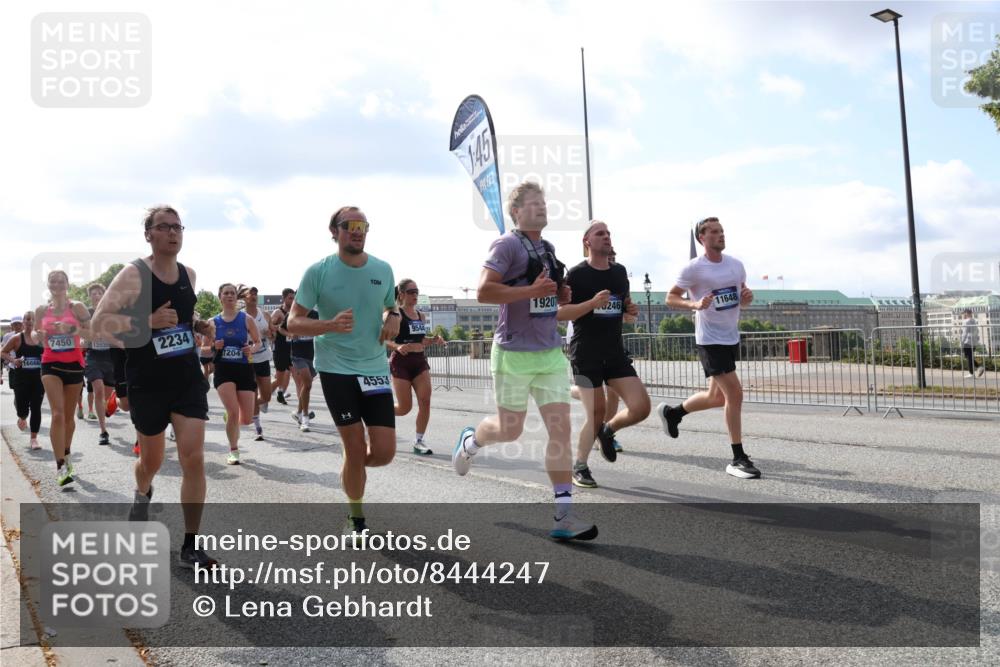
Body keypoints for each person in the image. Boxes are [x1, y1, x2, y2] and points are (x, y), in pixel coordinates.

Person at [452, 182, 597, 541]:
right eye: (533, 204)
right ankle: (471, 442)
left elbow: (549, 300)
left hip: (548, 353)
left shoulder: (547, 249)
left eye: (544, 203)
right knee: (510, 429)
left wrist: (558, 294)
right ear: (516, 212)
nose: (542, 208)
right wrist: (531, 291)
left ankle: (563, 517)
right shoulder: (506, 244)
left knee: (560, 432)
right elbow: (485, 291)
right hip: (513, 354)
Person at [91, 205, 218, 568]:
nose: (173, 233)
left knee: (194, 459)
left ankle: (190, 545)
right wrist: (146, 322)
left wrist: (198, 325)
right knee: (152, 461)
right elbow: (99, 325)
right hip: (148, 381)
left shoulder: (189, 275)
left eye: (178, 226)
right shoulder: (134, 274)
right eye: (164, 227)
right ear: (149, 234)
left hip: (186, 378)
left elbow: (180, 315)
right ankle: (141, 494)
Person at [289, 206, 398, 535]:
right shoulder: (318, 271)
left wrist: (394, 316)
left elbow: (390, 307)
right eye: (349, 225)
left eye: (362, 225)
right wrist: (329, 325)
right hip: (336, 367)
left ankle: (351, 468)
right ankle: (356, 518)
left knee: (384, 452)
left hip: (375, 366)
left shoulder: (383, 269)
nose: (357, 230)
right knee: (353, 445)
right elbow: (293, 322)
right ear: (334, 231)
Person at [658, 216, 759, 479]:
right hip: (709, 338)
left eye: (722, 230)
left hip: (730, 336)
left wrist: (747, 298)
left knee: (717, 397)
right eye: (714, 231)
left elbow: (741, 298)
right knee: (735, 394)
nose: (720, 235)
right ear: (702, 238)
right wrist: (694, 305)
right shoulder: (694, 269)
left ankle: (673, 413)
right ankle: (738, 457)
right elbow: (670, 297)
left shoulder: (736, 266)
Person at [560, 222, 649, 488]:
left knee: (641, 407)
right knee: (596, 413)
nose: (607, 237)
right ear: (587, 241)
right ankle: (580, 466)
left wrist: (630, 311)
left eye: (609, 233)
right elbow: (559, 312)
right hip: (586, 352)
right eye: (600, 233)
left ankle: (608, 431)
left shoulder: (620, 272)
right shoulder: (576, 274)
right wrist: (591, 304)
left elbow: (625, 313)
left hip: (614, 352)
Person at [35, 270, 90, 487]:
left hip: (74, 365)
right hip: (50, 364)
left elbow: (93, 333)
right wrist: (37, 336)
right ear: (48, 284)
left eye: (61, 281)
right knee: (57, 415)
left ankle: (66, 453)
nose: (57, 284)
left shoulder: (77, 307)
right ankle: (60, 466)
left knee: (68, 418)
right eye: (53, 281)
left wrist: (71, 328)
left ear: (68, 284)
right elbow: (34, 336)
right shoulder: (41, 310)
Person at [388, 279, 444, 455]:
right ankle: (376, 411)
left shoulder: (421, 315)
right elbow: (382, 338)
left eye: (417, 292)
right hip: (401, 362)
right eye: (411, 292)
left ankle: (419, 440)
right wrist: (397, 346)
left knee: (425, 401)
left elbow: (421, 340)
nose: (415, 295)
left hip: (419, 361)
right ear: (401, 294)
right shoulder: (395, 314)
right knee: (404, 408)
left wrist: (434, 340)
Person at [210, 283, 261, 464]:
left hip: (244, 368)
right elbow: (203, 349)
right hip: (223, 370)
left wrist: (251, 350)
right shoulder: (212, 322)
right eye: (226, 293)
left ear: (236, 297)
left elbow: (258, 342)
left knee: (245, 419)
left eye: (232, 293)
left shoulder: (246, 319)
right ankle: (233, 450)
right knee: (233, 412)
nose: (230, 296)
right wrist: (212, 347)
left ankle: (230, 417)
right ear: (220, 297)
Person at [2, 311, 44, 449]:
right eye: (27, 319)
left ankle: (33, 439)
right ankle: (22, 417)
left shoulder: (40, 337)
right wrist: (14, 360)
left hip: (38, 379)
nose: (30, 321)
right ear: (24, 322)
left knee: (36, 407)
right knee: (22, 408)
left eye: (32, 319)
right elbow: (2, 352)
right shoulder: (16, 338)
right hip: (21, 379)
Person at [82, 283, 116, 445]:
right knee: (98, 390)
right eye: (93, 293)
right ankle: (103, 431)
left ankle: (108, 406)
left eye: (99, 293)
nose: (96, 295)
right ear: (90, 296)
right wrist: (87, 337)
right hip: (93, 356)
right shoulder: (87, 313)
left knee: (107, 397)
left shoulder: (112, 312)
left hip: (110, 357)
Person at [241, 286, 274, 440]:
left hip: (263, 357)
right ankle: (257, 426)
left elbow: (273, 335)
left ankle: (248, 410)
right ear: (244, 298)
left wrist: (269, 333)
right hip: (247, 359)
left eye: (256, 294)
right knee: (253, 393)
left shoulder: (265, 314)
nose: (254, 296)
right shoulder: (239, 316)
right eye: (250, 294)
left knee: (266, 396)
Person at [289, 309, 318, 432]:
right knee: (307, 384)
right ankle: (305, 418)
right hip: (298, 354)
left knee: (306, 386)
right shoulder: (293, 313)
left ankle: (299, 412)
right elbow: (281, 328)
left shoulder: (316, 314)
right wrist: (290, 334)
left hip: (313, 354)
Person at [271, 288, 296, 405]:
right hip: (280, 346)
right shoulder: (278, 312)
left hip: (292, 346)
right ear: (284, 298)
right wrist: (280, 326)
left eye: (294, 298)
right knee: (281, 374)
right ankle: (269, 392)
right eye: (290, 298)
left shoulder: (295, 312)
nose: (293, 300)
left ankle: (281, 392)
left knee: (291, 371)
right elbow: (269, 327)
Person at [960, 309, 984, 379]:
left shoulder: (966, 321)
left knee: (969, 357)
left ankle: (972, 373)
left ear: (967, 313)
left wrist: (961, 342)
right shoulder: (974, 321)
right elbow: (977, 331)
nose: (963, 315)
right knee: (969, 357)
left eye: (964, 314)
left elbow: (964, 333)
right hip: (973, 342)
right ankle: (979, 367)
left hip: (967, 341)